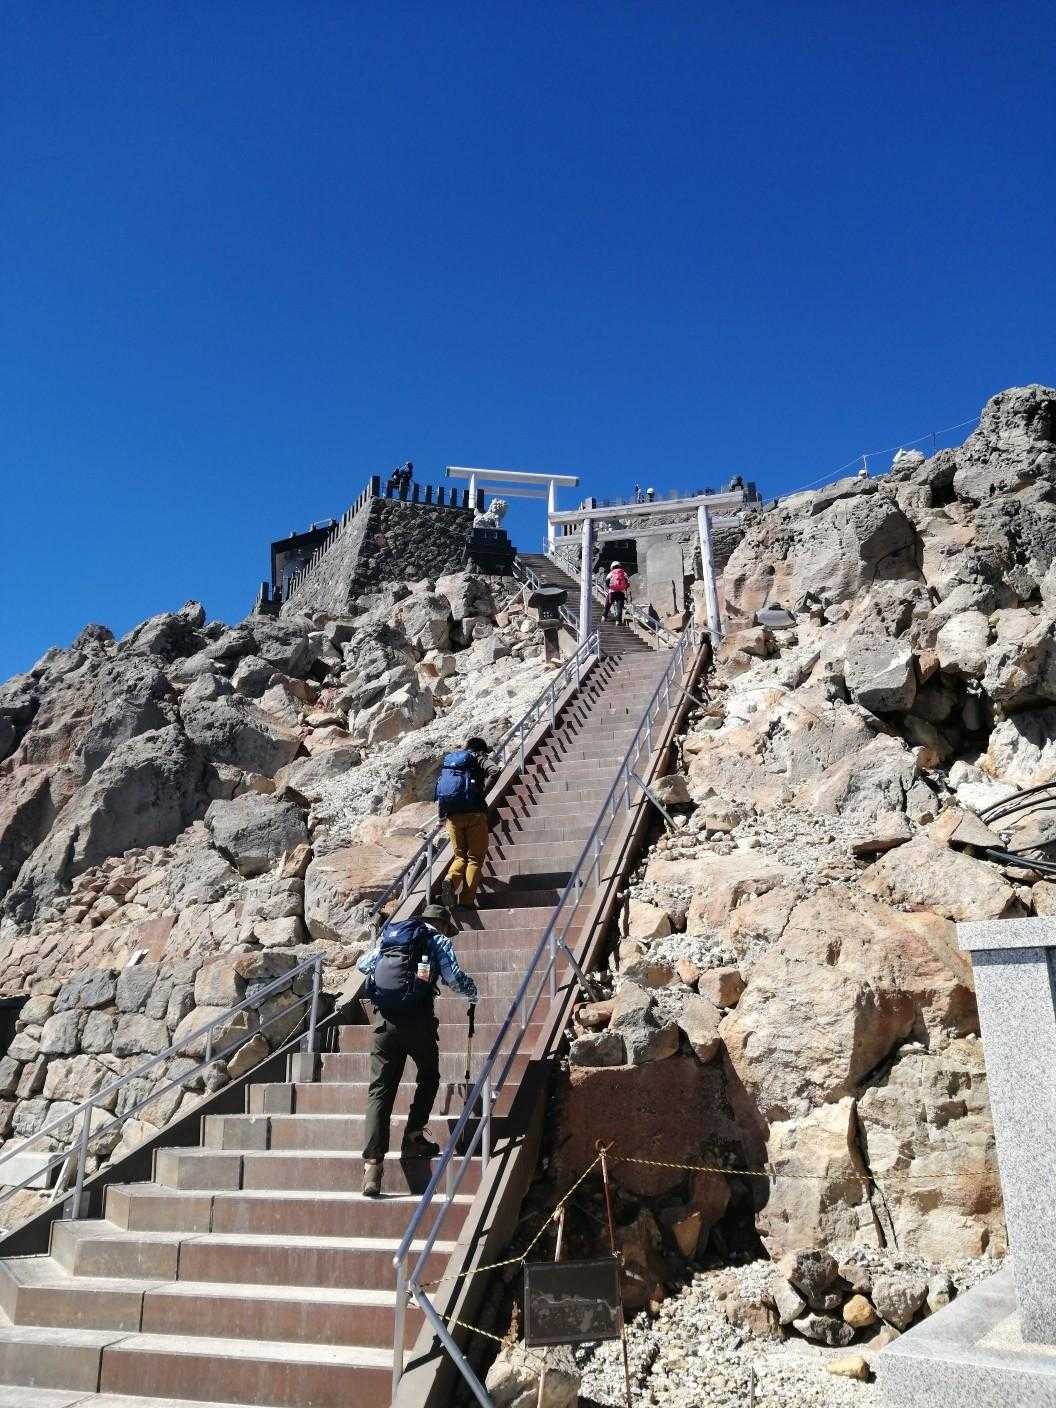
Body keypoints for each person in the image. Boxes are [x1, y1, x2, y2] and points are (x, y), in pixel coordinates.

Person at [357, 902, 478, 1197]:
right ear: (444, 925)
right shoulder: (438, 940)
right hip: (418, 1022)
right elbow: (453, 979)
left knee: (380, 1090)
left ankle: (372, 1167)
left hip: (385, 1023)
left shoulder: (393, 937)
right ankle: (413, 1138)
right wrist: (472, 992)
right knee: (428, 1076)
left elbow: (363, 965)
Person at [436, 737, 493, 910]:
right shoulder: (478, 757)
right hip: (475, 815)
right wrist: (481, 792)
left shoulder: (451, 764)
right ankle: (466, 901)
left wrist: (441, 818)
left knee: (460, 856)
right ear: (481, 750)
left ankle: (450, 880)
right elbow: (494, 770)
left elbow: (442, 791)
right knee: (475, 858)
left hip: (453, 817)